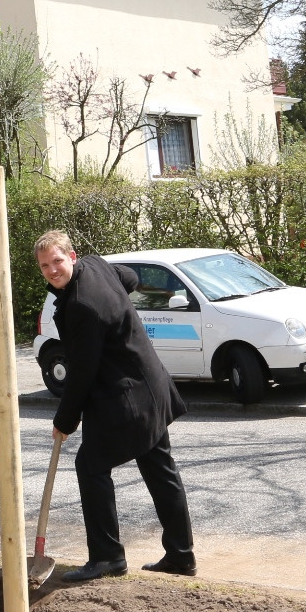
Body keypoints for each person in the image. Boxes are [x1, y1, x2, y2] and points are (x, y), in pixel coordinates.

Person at [36, 228, 195, 582]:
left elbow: (82, 371)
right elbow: (131, 276)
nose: (51, 270)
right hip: (150, 385)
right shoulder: (97, 266)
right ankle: (181, 555)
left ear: (72, 257)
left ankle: (107, 557)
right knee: (160, 469)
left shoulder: (81, 307)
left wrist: (65, 419)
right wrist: (116, 306)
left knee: (90, 466)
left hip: (126, 399)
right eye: (45, 265)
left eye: (57, 261)